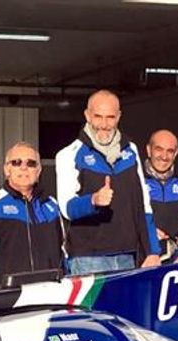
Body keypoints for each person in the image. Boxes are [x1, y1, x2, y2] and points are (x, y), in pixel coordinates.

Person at [55, 89, 162, 275]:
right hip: (88, 258)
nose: (104, 125)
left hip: (127, 255)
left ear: (119, 116)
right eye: (98, 117)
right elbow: (66, 207)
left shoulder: (131, 150)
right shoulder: (68, 154)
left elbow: (143, 205)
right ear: (87, 115)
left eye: (110, 117)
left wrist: (152, 251)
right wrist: (93, 201)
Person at [0, 141, 65, 284]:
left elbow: (63, 251)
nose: (24, 167)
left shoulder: (51, 205)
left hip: (50, 291)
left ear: (39, 171)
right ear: (6, 169)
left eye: (31, 163)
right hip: (8, 294)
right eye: (16, 162)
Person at [143, 129, 178, 263]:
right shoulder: (135, 183)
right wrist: (146, 230)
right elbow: (123, 224)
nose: (164, 156)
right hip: (142, 264)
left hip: (174, 268)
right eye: (159, 149)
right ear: (149, 150)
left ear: (176, 153)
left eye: (170, 151)